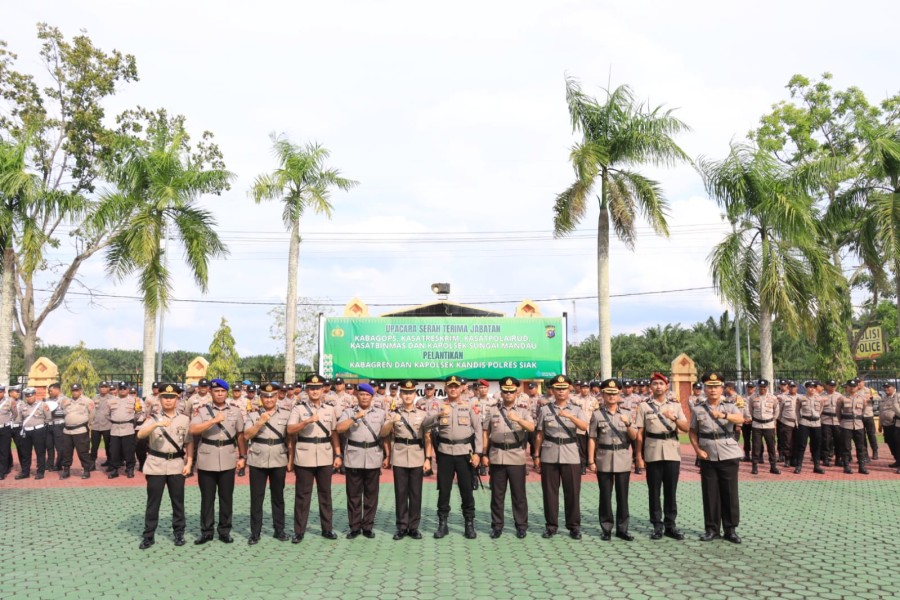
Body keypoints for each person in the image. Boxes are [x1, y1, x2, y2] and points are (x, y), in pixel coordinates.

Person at [422, 375, 483, 540]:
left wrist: (478, 453)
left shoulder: (469, 406)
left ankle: (469, 524)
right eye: (450, 386)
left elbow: (478, 430)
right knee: (444, 490)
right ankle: (443, 524)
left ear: (461, 388)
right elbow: (424, 424)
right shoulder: (439, 405)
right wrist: (437, 416)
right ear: (446, 388)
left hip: (465, 453)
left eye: (456, 386)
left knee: (467, 489)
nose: (453, 389)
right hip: (445, 453)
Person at [190, 379, 247, 544]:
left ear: (227, 393)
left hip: (228, 457)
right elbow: (193, 429)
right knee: (207, 498)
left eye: (222, 391)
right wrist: (213, 421)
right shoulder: (202, 411)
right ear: (211, 392)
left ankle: (224, 531)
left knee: (226, 497)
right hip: (207, 456)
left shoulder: (235, 411)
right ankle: (206, 532)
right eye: (216, 391)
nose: (220, 394)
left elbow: (240, 435)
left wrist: (242, 457)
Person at [287, 373, 342, 543]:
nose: (315, 391)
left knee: (325, 494)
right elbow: (289, 430)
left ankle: (327, 529)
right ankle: (299, 531)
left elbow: (333, 434)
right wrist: (306, 422)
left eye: (318, 388)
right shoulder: (298, 408)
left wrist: (338, 454)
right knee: (303, 495)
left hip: (325, 455)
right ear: (307, 389)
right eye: (311, 388)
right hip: (305, 454)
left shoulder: (330, 409)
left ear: (323, 390)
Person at [689, 372, 743, 544]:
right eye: (709, 387)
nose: (713, 390)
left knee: (729, 492)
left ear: (722, 388)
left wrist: (724, 416)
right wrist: (697, 450)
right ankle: (712, 529)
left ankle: (730, 529)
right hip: (707, 454)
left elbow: (741, 418)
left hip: (728, 453)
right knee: (710, 493)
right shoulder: (698, 408)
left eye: (716, 386)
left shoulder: (730, 405)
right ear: (705, 388)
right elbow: (692, 431)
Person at [137, 383, 193, 550]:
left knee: (178, 501)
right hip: (156, 464)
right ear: (159, 399)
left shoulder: (184, 419)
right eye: (165, 397)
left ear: (177, 399)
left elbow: (189, 442)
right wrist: (156, 424)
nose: (168, 401)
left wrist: (189, 463)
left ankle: (179, 533)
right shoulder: (152, 418)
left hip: (176, 464)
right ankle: (148, 535)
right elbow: (140, 434)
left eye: (172, 397)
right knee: (153, 502)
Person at [634, 372, 688, 540]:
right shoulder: (644, 406)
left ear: (667, 386)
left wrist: (673, 418)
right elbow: (640, 432)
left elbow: (685, 427)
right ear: (650, 387)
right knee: (654, 491)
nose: (658, 386)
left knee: (671, 491)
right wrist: (638, 456)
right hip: (653, 450)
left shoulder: (675, 406)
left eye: (661, 383)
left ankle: (670, 525)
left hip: (672, 451)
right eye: (655, 383)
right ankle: (657, 525)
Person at [534, 374, 588, 539]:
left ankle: (574, 526)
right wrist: (536, 454)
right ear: (553, 390)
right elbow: (540, 434)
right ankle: (551, 526)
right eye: (558, 389)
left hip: (570, 452)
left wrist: (570, 416)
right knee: (550, 493)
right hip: (549, 453)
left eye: (564, 388)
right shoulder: (545, 409)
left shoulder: (577, 409)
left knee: (572, 492)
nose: (561, 392)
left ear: (570, 389)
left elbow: (584, 427)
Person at [482, 376, 534, 539]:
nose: (508, 394)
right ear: (501, 392)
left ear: (517, 392)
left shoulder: (524, 410)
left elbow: (532, 427)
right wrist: (484, 453)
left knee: (518, 494)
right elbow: (486, 432)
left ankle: (521, 526)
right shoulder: (493, 410)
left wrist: (518, 419)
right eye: (505, 391)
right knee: (497, 494)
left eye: (511, 391)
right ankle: (497, 526)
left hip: (516, 456)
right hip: (497, 455)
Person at [336, 383, 388, 539]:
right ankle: (354, 526)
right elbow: (339, 429)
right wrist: (354, 417)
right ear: (357, 396)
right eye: (361, 394)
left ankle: (367, 526)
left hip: (373, 456)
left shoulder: (381, 413)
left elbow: (386, 434)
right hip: (354, 457)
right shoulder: (348, 411)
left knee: (371, 495)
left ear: (372, 397)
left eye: (367, 395)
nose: (364, 397)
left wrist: (388, 456)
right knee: (353, 495)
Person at [587, 378, 637, 541]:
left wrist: (628, 424)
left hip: (622, 457)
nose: (611, 396)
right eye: (608, 393)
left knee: (623, 496)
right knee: (605, 496)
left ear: (619, 394)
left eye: (614, 393)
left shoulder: (627, 414)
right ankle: (606, 528)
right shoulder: (597, 415)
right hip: (604, 458)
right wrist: (591, 461)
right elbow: (592, 438)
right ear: (602, 394)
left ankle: (623, 529)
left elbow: (635, 436)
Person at [380, 379, 431, 540]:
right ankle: (402, 526)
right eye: (405, 392)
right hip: (400, 456)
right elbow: (383, 434)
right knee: (401, 493)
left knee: (416, 493)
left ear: (416, 394)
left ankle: (414, 527)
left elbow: (428, 438)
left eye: (411, 392)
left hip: (417, 455)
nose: (408, 395)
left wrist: (428, 458)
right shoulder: (393, 413)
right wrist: (391, 422)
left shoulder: (422, 414)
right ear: (400, 394)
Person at [243, 382, 291, 544]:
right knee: (257, 498)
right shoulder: (252, 415)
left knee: (278, 497)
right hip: (258, 458)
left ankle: (280, 530)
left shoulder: (286, 414)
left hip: (279, 457)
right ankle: (255, 533)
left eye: (272, 396)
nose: (269, 399)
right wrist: (260, 422)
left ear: (277, 397)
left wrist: (290, 460)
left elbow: (290, 437)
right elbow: (246, 436)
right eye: (265, 396)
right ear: (260, 397)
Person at [58, 383, 94, 479]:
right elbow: (62, 413)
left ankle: (86, 470)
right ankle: (66, 470)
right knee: (66, 452)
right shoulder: (66, 401)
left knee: (83, 451)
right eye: (73, 390)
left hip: (80, 430)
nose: (75, 392)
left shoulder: (87, 401)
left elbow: (92, 415)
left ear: (81, 391)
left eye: (77, 390)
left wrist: (87, 424)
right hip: (67, 431)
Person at [14, 387, 50, 479]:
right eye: (27, 396)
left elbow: (48, 417)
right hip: (26, 431)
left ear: (34, 395)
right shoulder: (22, 406)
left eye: (31, 395)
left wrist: (41, 426)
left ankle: (40, 472)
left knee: (40, 452)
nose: (29, 398)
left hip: (38, 431)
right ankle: (25, 472)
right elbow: (19, 419)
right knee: (25, 453)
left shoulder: (42, 405)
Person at [106, 382, 138, 479]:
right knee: (114, 450)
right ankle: (115, 470)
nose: (122, 390)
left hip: (128, 428)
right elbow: (107, 414)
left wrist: (132, 421)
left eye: (124, 388)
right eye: (121, 388)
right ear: (118, 389)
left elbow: (139, 413)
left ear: (128, 390)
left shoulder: (134, 400)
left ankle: (130, 469)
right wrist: (114, 420)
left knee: (129, 450)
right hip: (115, 429)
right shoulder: (111, 401)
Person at [748, 379, 780, 475]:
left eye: (764, 387)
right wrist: (754, 418)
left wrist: (772, 419)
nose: (762, 389)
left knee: (771, 446)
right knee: (756, 446)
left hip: (769, 425)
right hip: (756, 425)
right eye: (761, 387)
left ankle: (773, 467)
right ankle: (754, 467)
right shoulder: (753, 397)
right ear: (758, 387)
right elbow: (750, 409)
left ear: (767, 387)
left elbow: (776, 411)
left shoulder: (773, 398)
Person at [837, 379, 868, 475]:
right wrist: (841, 421)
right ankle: (846, 466)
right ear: (847, 387)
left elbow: (863, 411)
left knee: (861, 447)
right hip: (846, 424)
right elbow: (838, 412)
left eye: (854, 386)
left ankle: (861, 467)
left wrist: (858, 418)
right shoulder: (841, 398)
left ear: (857, 387)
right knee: (846, 446)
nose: (852, 388)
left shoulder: (862, 398)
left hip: (858, 425)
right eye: (850, 386)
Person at [794, 381, 825, 474]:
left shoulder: (820, 399)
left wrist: (816, 417)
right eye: (810, 387)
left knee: (816, 445)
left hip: (816, 423)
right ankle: (798, 466)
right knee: (801, 445)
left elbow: (821, 410)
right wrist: (798, 421)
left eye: (814, 387)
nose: (812, 389)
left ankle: (816, 466)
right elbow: (797, 411)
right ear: (806, 388)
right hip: (804, 423)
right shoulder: (801, 398)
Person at [776, 381, 800, 467]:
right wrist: (780, 421)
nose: (792, 388)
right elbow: (779, 410)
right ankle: (787, 459)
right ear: (788, 387)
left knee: (796, 441)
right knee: (787, 441)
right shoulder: (783, 397)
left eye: (794, 386)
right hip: (786, 422)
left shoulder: (800, 397)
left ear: (797, 387)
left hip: (797, 423)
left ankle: (794, 459)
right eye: (791, 386)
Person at [90, 381, 113, 469]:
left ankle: (110, 462)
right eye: (101, 387)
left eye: (105, 387)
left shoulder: (112, 399)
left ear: (108, 388)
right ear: (99, 388)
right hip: (96, 426)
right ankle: (92, 463)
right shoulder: (94, 398)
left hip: (108, 425)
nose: (103, 388)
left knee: (108, 446)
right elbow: (91, 411)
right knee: (94, 446)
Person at [820, 380, 842, 467]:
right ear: (826, 386)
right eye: (830, 385)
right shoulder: (821, 396)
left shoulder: (839, 396)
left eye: (834, 386)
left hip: (837, 420)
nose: (832, 387)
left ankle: (838, 459)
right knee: (826, 441)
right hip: (825, 420)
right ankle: (825, 459)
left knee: (838, 441)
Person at [44, 383, 66, 472]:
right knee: (49, 446)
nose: (49, 392)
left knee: (59, 446)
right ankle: (50, 464)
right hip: (49, 425)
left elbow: (66, 412)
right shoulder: (47, 400)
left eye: (51, 390)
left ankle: (59, 464)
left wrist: (54, 412)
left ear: (57, 390)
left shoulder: (64, 400)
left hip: (59, 425)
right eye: (49, 391)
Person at [880, 382, 899, 468]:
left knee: (897, 443)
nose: (886, 389)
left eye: (888, 387)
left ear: (894, 387)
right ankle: (897, 460)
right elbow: (881, 412)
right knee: (889, 442)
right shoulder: (884, 398)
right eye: (885, 387)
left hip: (895, 424)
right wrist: (880, 424)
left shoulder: (897, 396)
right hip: (886, 424)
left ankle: (899, 461)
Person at [0, 384, 15, 480]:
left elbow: (15, 413)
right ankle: (8, 464)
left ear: (4, 392)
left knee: (4, 450)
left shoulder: (9, 401)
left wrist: (9, 422)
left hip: (5, 428)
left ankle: (2, 472)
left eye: (0, 392)